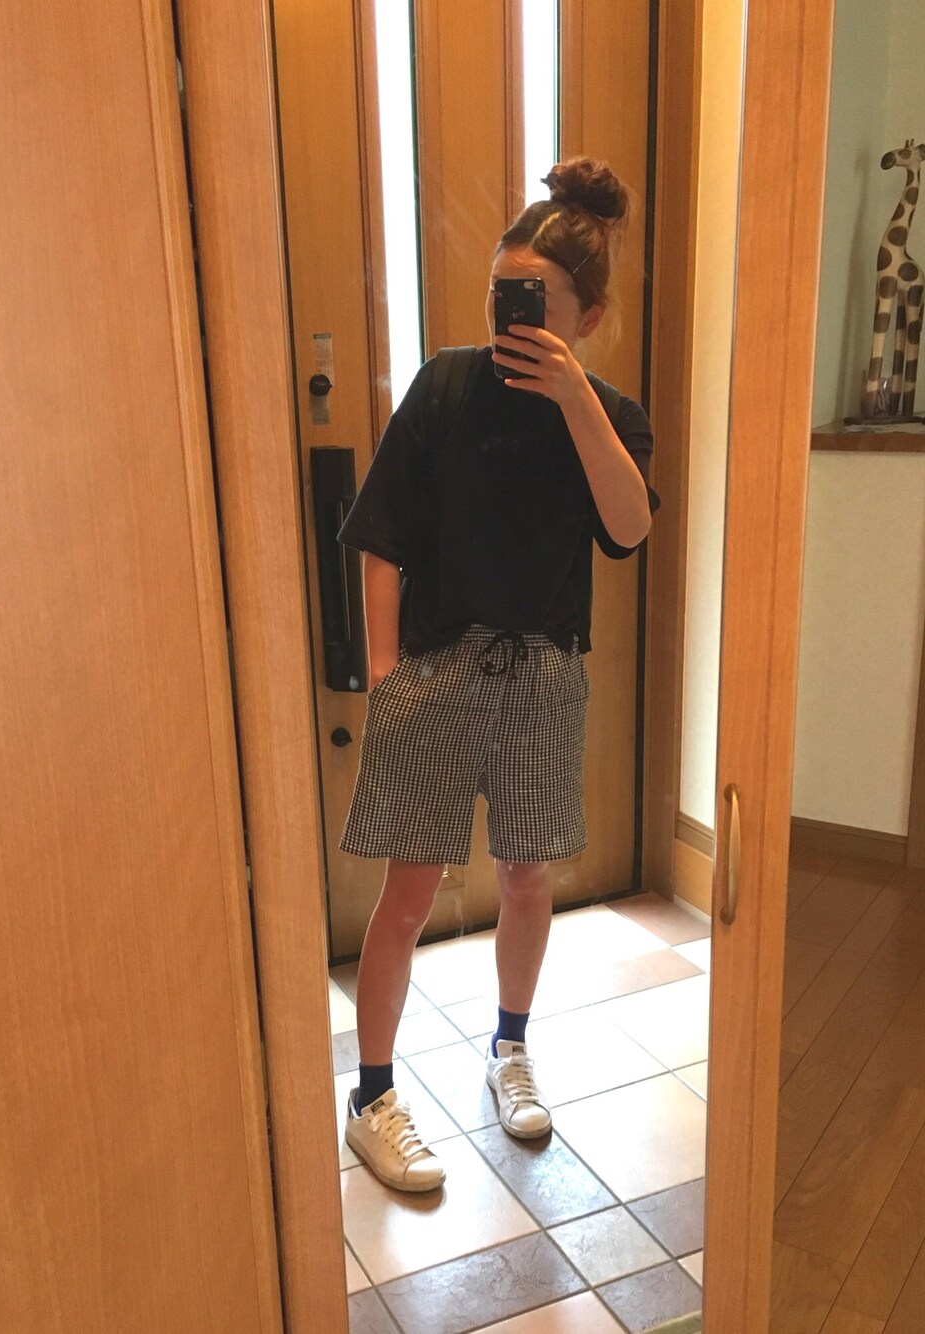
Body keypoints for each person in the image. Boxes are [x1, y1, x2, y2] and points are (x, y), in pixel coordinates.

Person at [337, 157, 659, 1192]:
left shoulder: (610, 413)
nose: (506, 314)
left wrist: (572, 396)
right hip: (437, 668)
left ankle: (509, 1047)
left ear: (587, 315)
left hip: (543, 675)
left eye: (534, 299)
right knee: (408, 893)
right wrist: (384, 669)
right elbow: (378, 533)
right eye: (498, 292)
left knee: (527, 878)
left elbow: (629, 526)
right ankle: (371, 1097)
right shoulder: (444, 385)